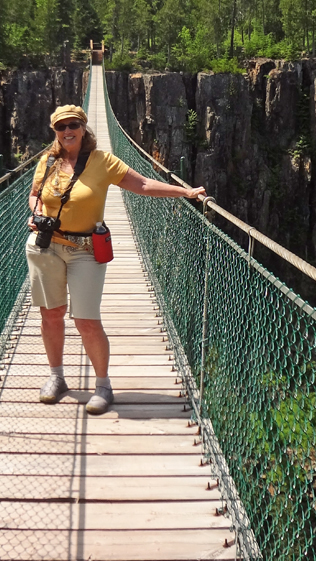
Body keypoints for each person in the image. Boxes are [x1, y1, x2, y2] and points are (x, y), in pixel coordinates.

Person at [26, 104, 205, 415]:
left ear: (83, 128)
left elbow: (144, 185)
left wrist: (184, 192)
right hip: (46, 247)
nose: (67, 131)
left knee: (86, 321)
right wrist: (37, 211)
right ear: (54, 131)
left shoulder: (102, 161)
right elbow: (35, 194)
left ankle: (103, 385)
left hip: (86, 250)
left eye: (73, 125)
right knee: (50, 315)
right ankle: (56, 378)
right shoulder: (48, 160)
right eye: (61, 127)